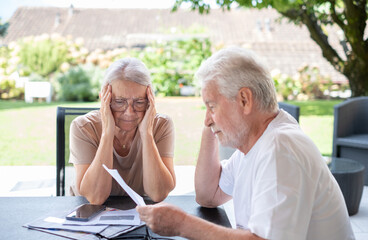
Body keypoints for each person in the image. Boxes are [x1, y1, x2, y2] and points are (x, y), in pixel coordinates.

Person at [136, 47, 354, 240]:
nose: (206, 119)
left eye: (211, 107)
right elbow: (208, 194)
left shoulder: (280, 149)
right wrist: (214, 120)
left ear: (244, 100)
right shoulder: (257, 142)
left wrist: (182, 225)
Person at [69, 57, 176, 204]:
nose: (129, 113)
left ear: (150, 100)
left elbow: (158, 194)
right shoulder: (83, 127)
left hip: (139, 215)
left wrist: (147, 134)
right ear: (104, 99)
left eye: (139, 102)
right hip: (90, 215)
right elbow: (95, 197)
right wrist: (107, 133)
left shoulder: (161, 125)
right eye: (119, 102)